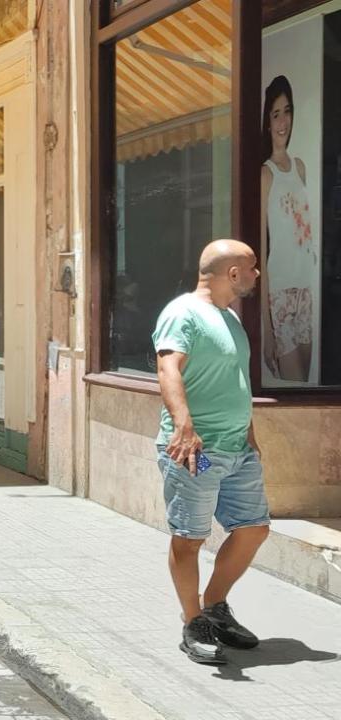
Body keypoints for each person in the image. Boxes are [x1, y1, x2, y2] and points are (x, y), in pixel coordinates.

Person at [153, 239, 268, 666]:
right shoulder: (183, 313)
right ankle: (193, 622)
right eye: (252, 267)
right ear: (233, 274)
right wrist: (184, 426)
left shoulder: (230, 319)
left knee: (254, 528)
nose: (257, 274)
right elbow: (168, 368)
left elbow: (234, 382)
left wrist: (249, 435)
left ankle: (214, 606)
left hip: (237, 449)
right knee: (190, 536)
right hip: (196, 451)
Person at [260, 75, 317, 383]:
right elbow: (260, 247)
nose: (283, 121)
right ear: (268, 122)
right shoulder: (265, 175)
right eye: (275, 113)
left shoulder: (301, 168)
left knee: (306, 386)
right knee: (292, 387)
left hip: (305, 290)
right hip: (280, 294)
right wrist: (267, 331)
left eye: (288, 110)